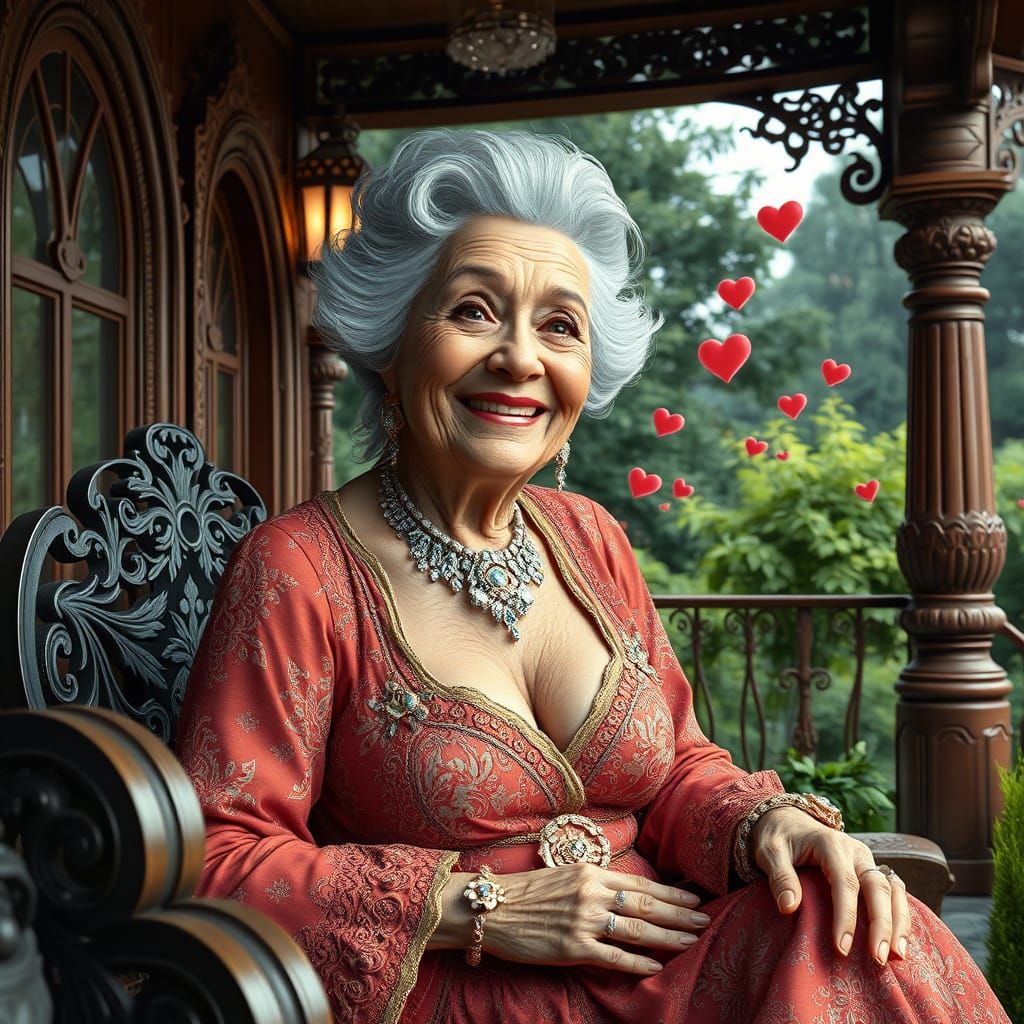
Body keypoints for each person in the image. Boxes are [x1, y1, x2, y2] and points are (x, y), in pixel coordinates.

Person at [175, 128, 1009, 1024]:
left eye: (559, 326)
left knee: (859, 928)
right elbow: (217, 857)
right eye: (472, 311)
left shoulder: (591, 538)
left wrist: (771, 826)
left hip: (665, 972)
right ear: (390, 339)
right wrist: (476, 909)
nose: (521, 359)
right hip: (470, 996)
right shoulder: (299, 569)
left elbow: (679, 769)